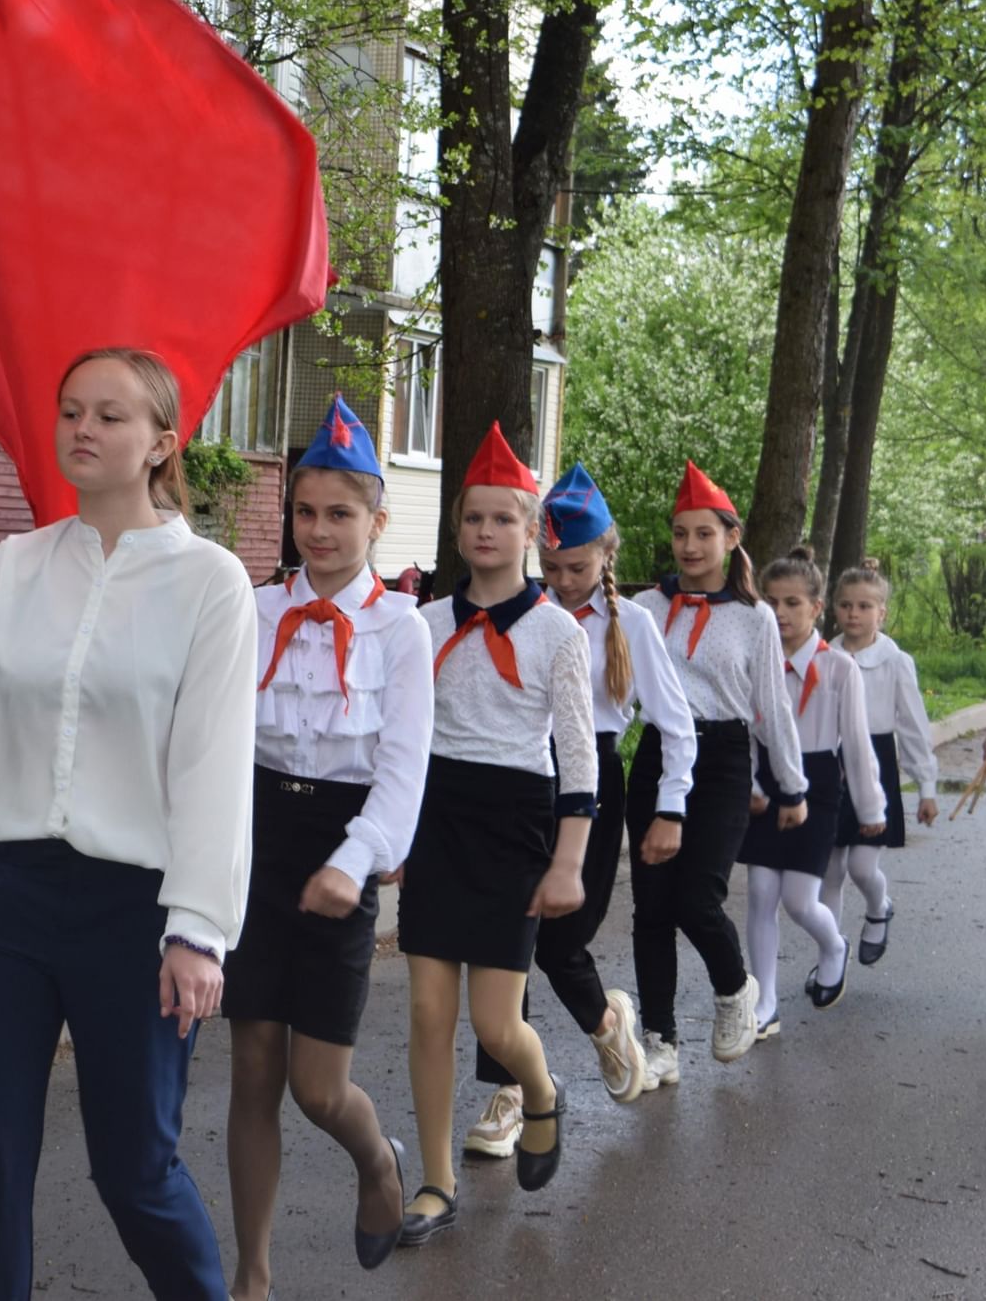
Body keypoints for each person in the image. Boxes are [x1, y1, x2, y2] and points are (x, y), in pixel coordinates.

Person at [0, 347, 255, 1301]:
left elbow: (213, 766)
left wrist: (198, 929)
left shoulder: (211, 584)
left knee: (134, 1169)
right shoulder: (20, 563)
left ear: (163, 442)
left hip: (135, 911)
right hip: (4, 900)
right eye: (71, 410)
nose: (83, 429)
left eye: (110, 415)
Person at [223, 396, 430, 1296]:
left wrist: (353, 864)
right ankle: (253, 1276)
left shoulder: (404, 630)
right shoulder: (253, 608)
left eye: (340, 514)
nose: (319, 531)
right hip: (255, 843)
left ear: (377, 521)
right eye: (305, 512)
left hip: (344, 846)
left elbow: (402, 774)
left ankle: (378, 1159)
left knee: (315, 1088)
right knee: (252, 1066)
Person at [396, 424, 596, 1247]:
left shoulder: (558, 632)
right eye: (473, 518)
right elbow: (400, 733)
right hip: (438, 814)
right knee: (426, 1011)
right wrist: (392, 833)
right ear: (458, 529)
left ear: (530, 531)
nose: (486, 532)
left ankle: (539, 1089)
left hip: (517, 823)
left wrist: (568, 865)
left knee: (494, 1025)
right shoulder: (424, 621)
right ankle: (438, 1181)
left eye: (503, 520)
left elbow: (578, 755)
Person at [463, 465, 698, 1157]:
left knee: (562, 943)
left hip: (593, 787)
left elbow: (676, 724)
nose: (564, 581)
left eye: (577, 567)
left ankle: (606, 1024)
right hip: (523, 781)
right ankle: (509, 1094)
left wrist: (673, 808)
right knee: (508, 942)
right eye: (553, 566)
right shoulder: (523, 617)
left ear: (606, 557)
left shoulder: (635, 627)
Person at [626, 462, 803, 1079]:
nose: (691, 546)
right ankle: (659, 1040)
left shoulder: (754, 618)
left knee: (699, 897)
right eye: (680, 533)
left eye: (704, 533)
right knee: (651, 907)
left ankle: (735, 990)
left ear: (732, 538)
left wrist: (792, 784)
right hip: (655, 758)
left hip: (724, 760)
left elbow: (771, 707)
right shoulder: (645, 607)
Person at [741, 548, 884, 1030]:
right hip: (766, 782)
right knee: (760, 891)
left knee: (801, 900)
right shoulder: (754, 661)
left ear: (816, 608)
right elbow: (748, 732)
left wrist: (871, 809)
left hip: (818, 782)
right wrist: (751, 783)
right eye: (772, 602)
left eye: (792, 603)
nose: (780, 613)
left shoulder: (839, 668)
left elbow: (859, 747)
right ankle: (765, 1003)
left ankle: (833, 944)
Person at [826, 560, 937, 963]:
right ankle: (830, 954)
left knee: (860, 865)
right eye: (845, 605)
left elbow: (912, 726)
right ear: (834, 609)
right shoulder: (824, 657)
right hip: (830, 766)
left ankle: (878, 907)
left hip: (875, 766)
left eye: (864, 606)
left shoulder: (895, 662)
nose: (853, 614)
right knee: (830, 871)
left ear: (881, 613)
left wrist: (926, 787)